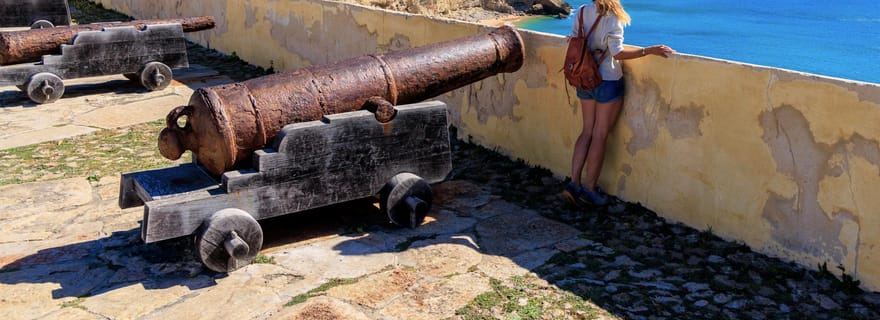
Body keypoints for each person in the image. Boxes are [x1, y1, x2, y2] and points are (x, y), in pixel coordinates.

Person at [563, 0, 675, 206]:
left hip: (584, 77)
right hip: (606, 79)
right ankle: (588, 190)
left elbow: (572, 39)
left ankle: (573, 184)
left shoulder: (581, 12)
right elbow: (617, 53)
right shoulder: (613, 17)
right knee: (600, 134)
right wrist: (647, 50)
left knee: (587, 130)